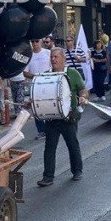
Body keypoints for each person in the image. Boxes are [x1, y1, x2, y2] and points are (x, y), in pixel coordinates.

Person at [35, 48, 89, 186]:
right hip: (52, 118)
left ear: (63, 58)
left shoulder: (72, 73)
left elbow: (83, 89)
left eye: (56, 57)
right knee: (49, 148)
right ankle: (48, 177)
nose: (53, 59)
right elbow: (40, 94)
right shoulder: (46, 76)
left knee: (72, 145)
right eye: (52, 57)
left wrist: (83, 97)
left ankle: (77, 171)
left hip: (68, 117)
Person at [24, 38, 52, 139]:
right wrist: (35, 77)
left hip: (48, 84)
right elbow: (25, 72)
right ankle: (41, 130)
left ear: (40, 42)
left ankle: (51, 128)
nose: (34, 43)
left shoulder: (48, 53)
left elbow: (53, 66)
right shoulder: (29, 55)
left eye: (36, 41)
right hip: (35, 85)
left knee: (49, 106)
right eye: (32, 41)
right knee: (36, 108)